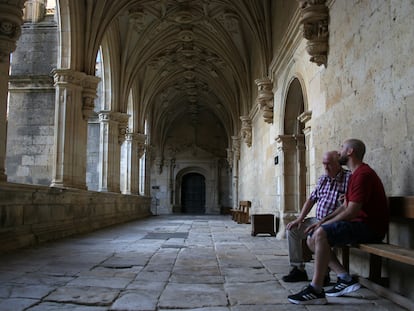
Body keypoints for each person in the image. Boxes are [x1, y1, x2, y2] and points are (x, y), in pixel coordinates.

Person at [288, 139, 389, 305]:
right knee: (311, 237)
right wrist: (322, 222)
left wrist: (323, 226)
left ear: (350, 152)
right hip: (360, 224)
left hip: (370, 228)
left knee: (320, 234)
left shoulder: (362, 174)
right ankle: (345, 278)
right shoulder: (357, 174)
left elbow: (352, 211)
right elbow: (345, 206)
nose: (340, 150)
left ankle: (316, 289)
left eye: (342, 148)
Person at [282, 150, 351, 284]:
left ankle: (324, 274)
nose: (326, 167)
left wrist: (346, 200)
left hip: (334, 222)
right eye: (324, 164)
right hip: (316, 220)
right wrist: (300, 219)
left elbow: (351, 204)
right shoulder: (323, 179)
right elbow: (311, 199)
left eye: (329, 164)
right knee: (292, 230)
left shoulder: (349, 178)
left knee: (315, 237)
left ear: (338, 163)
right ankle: (298, 269)